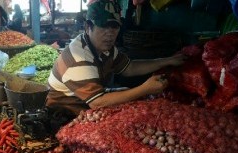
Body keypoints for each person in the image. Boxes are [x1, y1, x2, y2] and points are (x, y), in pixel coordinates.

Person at [46, 0, 185, 132]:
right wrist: (145, 89)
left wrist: (166, 61)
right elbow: (98, 102)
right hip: (65, 114)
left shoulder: (105, 48)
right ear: (88, 27)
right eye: (103, 26)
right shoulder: (79, 58)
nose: (110, 33)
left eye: (115, 26)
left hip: (88, 106)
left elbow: (129, 68)